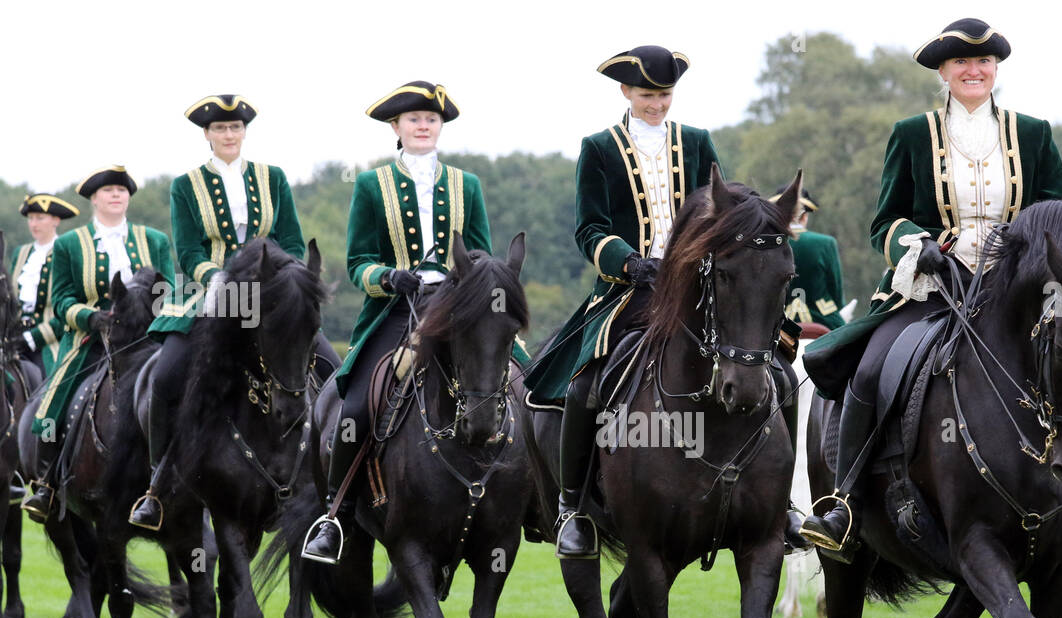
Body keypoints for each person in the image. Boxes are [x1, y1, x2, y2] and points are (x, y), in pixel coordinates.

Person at [800, 18, 1062, 576]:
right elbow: (884, 221)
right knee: (869, 369)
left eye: (984, 62)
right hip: (934, 285)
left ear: (995, 71)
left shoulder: (1032, 133)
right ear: (943, 71)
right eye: (961, 62)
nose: (973, 70)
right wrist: (920, 243)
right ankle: (843, 504)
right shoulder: (913, 133)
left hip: (1016, 296)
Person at [524, 45, 803, 558]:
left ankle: (781, 504)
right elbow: (589, 228)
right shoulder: (599, 148)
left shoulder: (696, 142)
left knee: (780, 372)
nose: (657, 104)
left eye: (665, 94)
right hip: (628, 289)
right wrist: (629, 262)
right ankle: (572, 509)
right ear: (627, 92)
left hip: (696, 288)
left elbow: (723, 212)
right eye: (648, 94)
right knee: (586, 380)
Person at [301, 81, 491, 563]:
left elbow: (484, 252)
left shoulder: (467, 184)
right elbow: (357, 261)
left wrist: (465, 280)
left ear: (440, 126)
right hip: (397, 308)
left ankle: (537, 502)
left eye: (431, 119)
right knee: (357, 407)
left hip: (455, 307)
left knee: (515, 381)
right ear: (396, 127)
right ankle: (334, 516)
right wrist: (388, 275)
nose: (423, 125)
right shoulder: (370, 185)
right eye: (413, 119)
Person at [128, 94, 314, 530]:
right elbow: (188, 249)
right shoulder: (185, 185)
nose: (228, 135)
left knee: (329, 364)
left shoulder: (274, 178)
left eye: (235, 128)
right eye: (220, 129)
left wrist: (284, 283)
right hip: (213, 294)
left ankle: (325, 481)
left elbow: (290, 238)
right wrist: (218, 277)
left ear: (244, 132)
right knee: (167, 374)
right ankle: (159, 482)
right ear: (207, 135)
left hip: (270, 297)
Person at [23, 167, 174, 522]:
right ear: (93, 198)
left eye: (122, 190)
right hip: (89, 342)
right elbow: (60, 300)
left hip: (149, 342)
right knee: (51, 406)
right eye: (108, 191)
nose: (116, 195)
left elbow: (171, 289)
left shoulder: (154, 240)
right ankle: (47, 483)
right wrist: (91, 317)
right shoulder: (68, 244)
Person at [10, 193, 80, 377]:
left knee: (49, 388)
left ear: (56, 220)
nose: (34, 224)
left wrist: (33, 338)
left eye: (40, 218)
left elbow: (66, 308)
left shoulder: (66, 252)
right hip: (14, 339)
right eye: (31, 218)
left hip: (50, 343)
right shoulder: (21, 253)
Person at [778, 188, 849, 331]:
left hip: (777, 321)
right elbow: (836, 293)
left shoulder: (770, 245)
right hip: (824, 319)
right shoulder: (826, 243)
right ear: (804, 216)